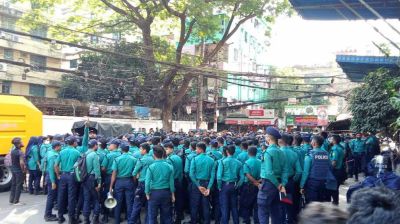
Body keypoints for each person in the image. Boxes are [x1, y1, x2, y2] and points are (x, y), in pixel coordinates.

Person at [257, 127, 288, 224]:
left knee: (263, 211)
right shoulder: (281, 152)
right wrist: (282, 184)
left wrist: (278, 185)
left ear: (268, 138)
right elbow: (285, 170)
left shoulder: (268, 152)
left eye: (266, 135)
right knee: (276, 211)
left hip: (268, 184)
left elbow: (269, 173)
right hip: (279, 185)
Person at [145, 145, 175, 224]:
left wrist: (147, 193)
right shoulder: (170, 167)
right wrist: (172, 194)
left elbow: (147, 182)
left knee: (152, 216)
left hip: (154, 193)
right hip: (166, 192)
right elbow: (171, 182)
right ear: (163, 154)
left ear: (154, 155)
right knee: (167, 216)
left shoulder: (151, 167)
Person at [300, 135, 335, 204]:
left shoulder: (309, 155)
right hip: (325, 183)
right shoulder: (326, 154)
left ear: (314, 143)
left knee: (311, 205)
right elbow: (330, 168)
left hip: (313, 184)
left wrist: (302, 185)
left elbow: (305, 173)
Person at [109, 142, 138, 224]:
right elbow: (135, 173)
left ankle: (117, 220)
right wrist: (134, 182)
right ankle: (130, 220)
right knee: (130, 202)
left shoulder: (117, 159)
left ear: (121, 150)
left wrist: (111, 186)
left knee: (118, 202)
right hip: (129, 181)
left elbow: (114, 174)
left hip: (119, 181)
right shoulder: (133, 159)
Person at [189, 142, 217, 224]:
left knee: (194, 205)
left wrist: (198, 185)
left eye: (197, 149)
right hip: (207, 183)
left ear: (200, 149)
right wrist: (208, 187)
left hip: (196, 183)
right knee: (206, 206)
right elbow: (212, 175)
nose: (195, 150)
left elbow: (191, 174)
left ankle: (194, 221)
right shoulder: (212, 160)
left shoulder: (194, 159)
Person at [217, 145, 244, 224]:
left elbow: (219, 177)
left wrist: (219, 187)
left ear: (226, 152)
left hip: (224, 185)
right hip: (234, 185)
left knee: (224, 207)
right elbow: (242, 178)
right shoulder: (239, 163)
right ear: (234, 152)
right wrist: (238, 185)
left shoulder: (222, 162)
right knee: (234, 207)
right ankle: (236, 222)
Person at [279, 134, 302, 224]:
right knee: (288, 203)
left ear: (280, 141)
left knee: (280, 205)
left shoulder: (277, 152)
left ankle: (282, 221)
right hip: (290, 181)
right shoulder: (294, 153)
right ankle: (289, 220)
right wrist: (293, 179)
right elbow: (299, 171)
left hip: (280, 182)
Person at [130, 143, 154, 224]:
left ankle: (132, 222)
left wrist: (137, 174)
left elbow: (134, 173)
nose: (140, 150)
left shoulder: (141, 160)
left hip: (142, 184)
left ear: (144, 150)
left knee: (136, 205)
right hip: (151, 184)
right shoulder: (153, 159)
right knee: (149, 206)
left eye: (141, 149)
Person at [100, 138, 121, 223]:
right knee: (118, 196)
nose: (108, 146)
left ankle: (105, 216)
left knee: (107, 195)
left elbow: (103, 168)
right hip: (119, 178)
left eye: (110, 144)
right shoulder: (121, 154)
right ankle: (116, 216)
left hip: (109, 177)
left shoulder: (108, 155)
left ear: (114, 146)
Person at [240, 146, 261, 224]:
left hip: (249, 186)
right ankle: (257, 221)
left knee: (246, 205)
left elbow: (247, 175)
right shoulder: (260, 162)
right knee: (257, 205)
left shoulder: (247, 163)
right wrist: (258, 182)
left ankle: (247, 221)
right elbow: (263, 174)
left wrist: (254, 182)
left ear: (248, 153)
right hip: (259, 186)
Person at [82, 140, 102, 224]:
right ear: (94, 146)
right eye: (97, 145)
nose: (98, 146)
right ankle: (95, 219)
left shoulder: (85, 153)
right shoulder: (94, 155)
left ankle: (86, 219)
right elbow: (97, 170)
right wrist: (99, 182)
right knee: (96, 199)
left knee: (86, 199)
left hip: (85, 178)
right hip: (92, 178)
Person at [165, 143, 184, 224]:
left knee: (170, 202)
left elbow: (168, 173)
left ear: (171, 149)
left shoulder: (169, 159)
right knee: (179, 201)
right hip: (179, 181)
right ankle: (178, 219)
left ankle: (172, 220)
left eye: (166, 149)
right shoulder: (178, 157)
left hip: (172, 182)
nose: (165, 151)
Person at [44, 140, 62, 222]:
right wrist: (53, 182)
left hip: (51, 176)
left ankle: (49, 214)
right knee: (51, 197)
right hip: (52, 177)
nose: (61, 147)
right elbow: (51, 169)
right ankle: (48, 215)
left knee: (51, 197)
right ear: (57, 147)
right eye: (60, 146)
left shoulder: (50, 152)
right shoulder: (52, 156)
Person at [329, 135, 345, 205]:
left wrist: (329, 170)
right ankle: (336, 202)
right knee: (335, 188)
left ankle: (335, 202)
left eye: (331, 139)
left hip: (335, 171)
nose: (330, 140)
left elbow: (334, 162)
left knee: (333, 188)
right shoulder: (340, 148)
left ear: (334, 141)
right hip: (340, 169)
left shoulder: (335, 149)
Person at [9, 137, 26, 205]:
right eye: (21, 142)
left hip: (13, 169)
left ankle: (11, 200)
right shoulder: (20, 152)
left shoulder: (13, 151)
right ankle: (16, 201)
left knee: (13, 184)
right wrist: (23, 170)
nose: (23, 142)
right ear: (19, 144)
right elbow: (21, 162)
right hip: (18, 170)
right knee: (18, 185)